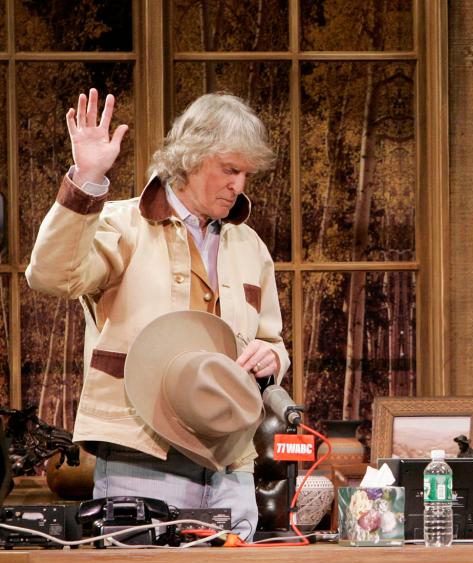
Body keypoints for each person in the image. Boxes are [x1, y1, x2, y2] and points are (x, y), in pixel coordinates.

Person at [26, 89, 290, 538]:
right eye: (229, 169)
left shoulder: (249, 245)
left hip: (231, 465)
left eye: (245, 173)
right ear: (191, 157)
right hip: (141, 459)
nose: (239, 185)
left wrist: (272, 359)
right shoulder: (123, 225)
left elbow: (273, 342)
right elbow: (51, 276)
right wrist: (86, 179)